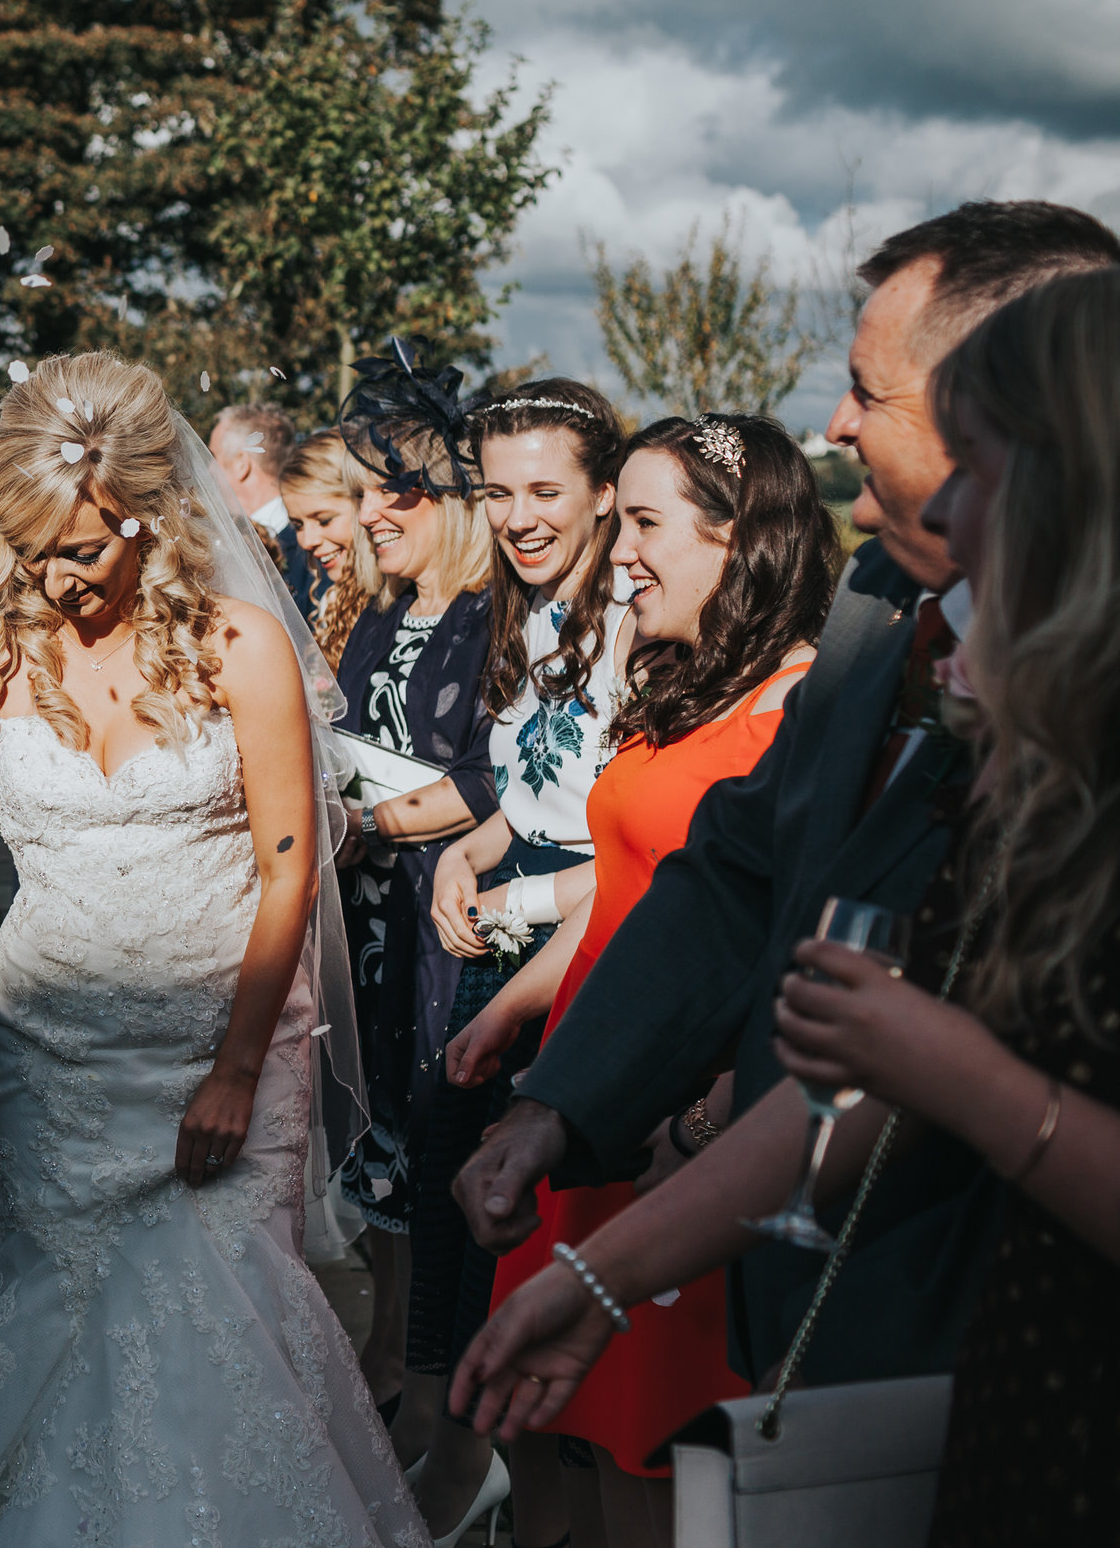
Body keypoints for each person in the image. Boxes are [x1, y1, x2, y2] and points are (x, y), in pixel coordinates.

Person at [454, 268, 1120, 1547]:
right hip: (960, 1378)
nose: (837, 436)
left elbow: (935, 1065)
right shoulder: (934, 657)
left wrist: (951, 1069)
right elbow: (752, 911)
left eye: (973, 461)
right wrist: (600, 1267)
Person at [0, 352, 420, 1545]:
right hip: (58, 1054)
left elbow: (291, 867)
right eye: (33, 548)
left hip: (222, 1046)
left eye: (82, 548)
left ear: (148, 515)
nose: (55, 576)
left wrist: (235, 1067)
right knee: (65, 1296)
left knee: (225, 1305)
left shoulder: (241, 648)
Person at [478, 416, 833, 1545]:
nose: (616, 550)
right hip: (585, 1089)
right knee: (543, 1427)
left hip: (683, 1131)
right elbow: (629, 891)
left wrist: (700, 1121)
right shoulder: (677, 675)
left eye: (642, 521)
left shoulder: (803, 711)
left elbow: (774, 942)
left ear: (742, 541)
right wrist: (520, 1006)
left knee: (649, 1453)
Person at [399, 379, 630, 1541]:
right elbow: (527, 782)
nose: (519, 515)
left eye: (546, 490)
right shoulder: (527, 611)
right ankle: (460, 1445)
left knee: (530, 1199)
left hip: (589, 927)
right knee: (454, 1171)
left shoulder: (640, 615)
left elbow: (635, 827)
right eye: (497, 492)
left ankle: (508, 1461)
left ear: (604, 492)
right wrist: (465, 847)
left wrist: (522, 888)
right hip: (498, 905)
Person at [329, 357, 499, 1439]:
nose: (370, 512)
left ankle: (426, 1379)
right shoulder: (379, 618)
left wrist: (373, 824)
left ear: (455, 503)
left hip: (440, 914)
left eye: (398, 491)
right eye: (361, 491)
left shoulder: (492, 621)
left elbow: (493, 776)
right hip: (363, 910)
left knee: (431, 1129)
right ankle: (383, 1347)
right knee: (376, 1125)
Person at [280, 429, 381, 667]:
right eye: (298, 525)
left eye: (324, 520)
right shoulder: (331, 602)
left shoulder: (404, 600)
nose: (307, 541)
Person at [210, 401, 314, 605]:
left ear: (242, 464)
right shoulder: (218, 545)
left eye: (212, 456)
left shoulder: (311, 547)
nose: (207, 469)